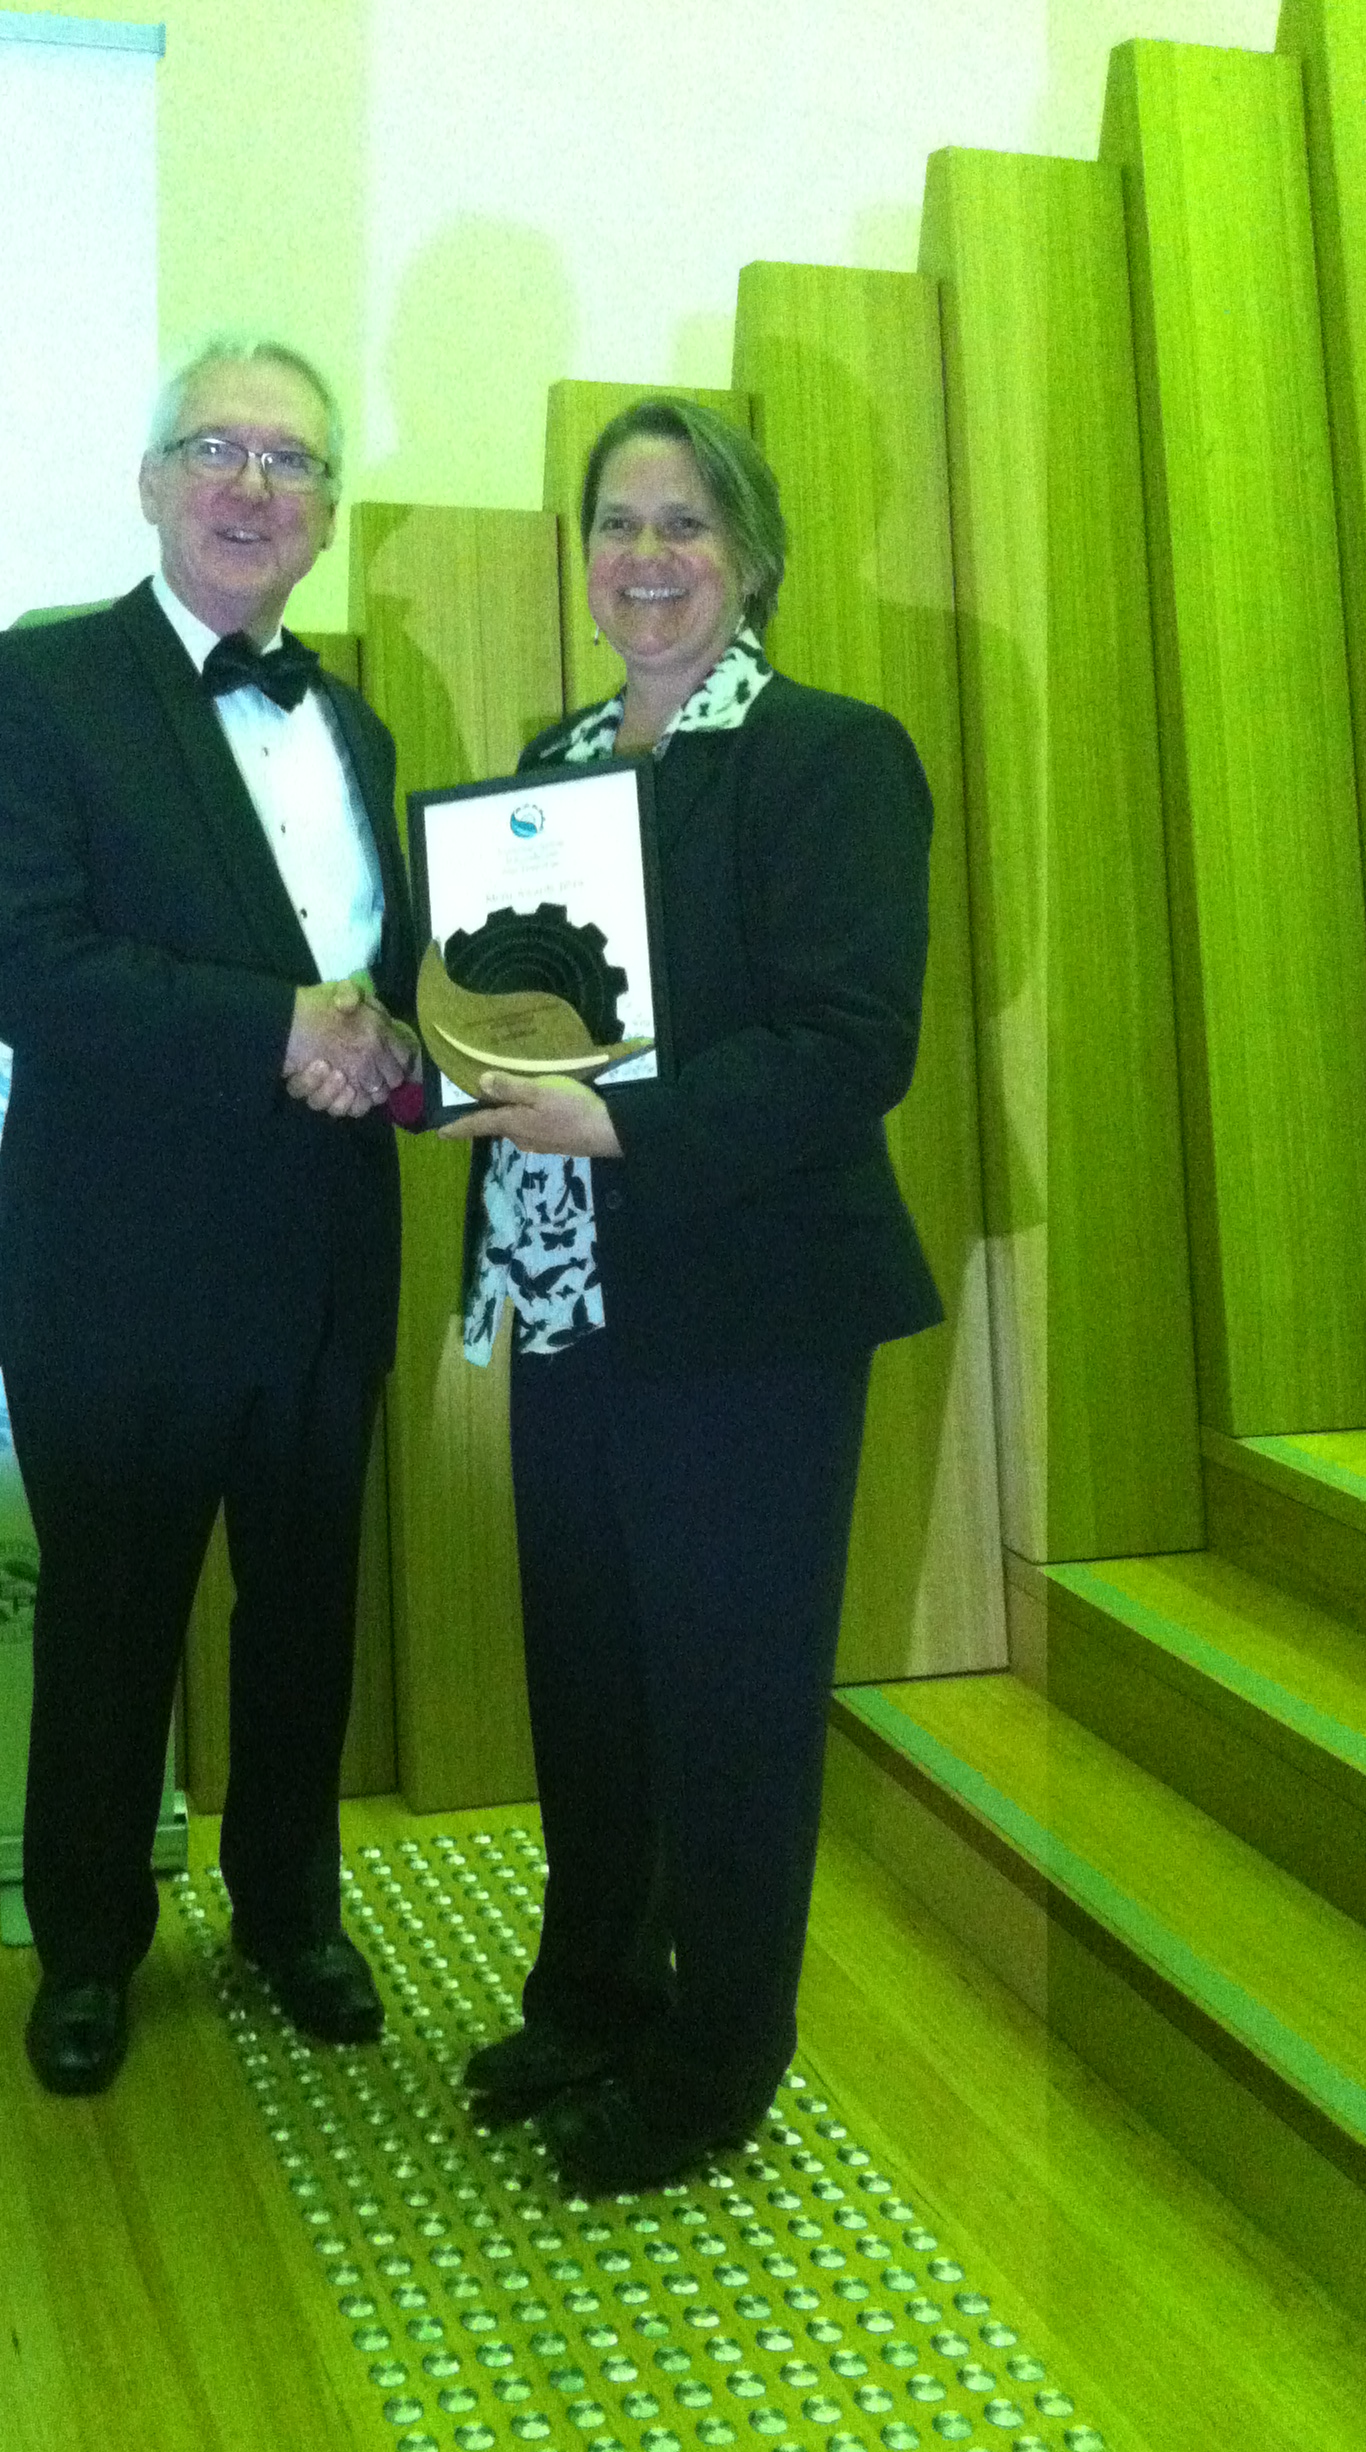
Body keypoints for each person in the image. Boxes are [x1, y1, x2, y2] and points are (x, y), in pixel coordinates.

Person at [445, 397, 942, 2192]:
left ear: (754, 555)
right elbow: (509, 998)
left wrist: (617, 1119)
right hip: (572, 1291)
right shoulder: (551, 761)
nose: (645, 557)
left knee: (730, 1702)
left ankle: (717, 2060)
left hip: (752, 1314)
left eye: (684, 525)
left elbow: (851, 1047)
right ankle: (593, 1997)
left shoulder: (831, 756)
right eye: (616, 524)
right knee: (591, 1675)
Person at [0, 338, 418, 2095]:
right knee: (109, 1627)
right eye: (216, 448)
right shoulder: (29, 685)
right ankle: (87, 1945)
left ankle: (289, 1911)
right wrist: (280, 1028)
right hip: (119, 1272)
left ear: (326, 516)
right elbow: (30, 969)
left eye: (291, 463)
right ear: (150, 483)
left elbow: (383, 982)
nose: (250, 486)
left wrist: (413, 1050)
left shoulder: (357, 724)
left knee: (305, 1620)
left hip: (323, 1262)